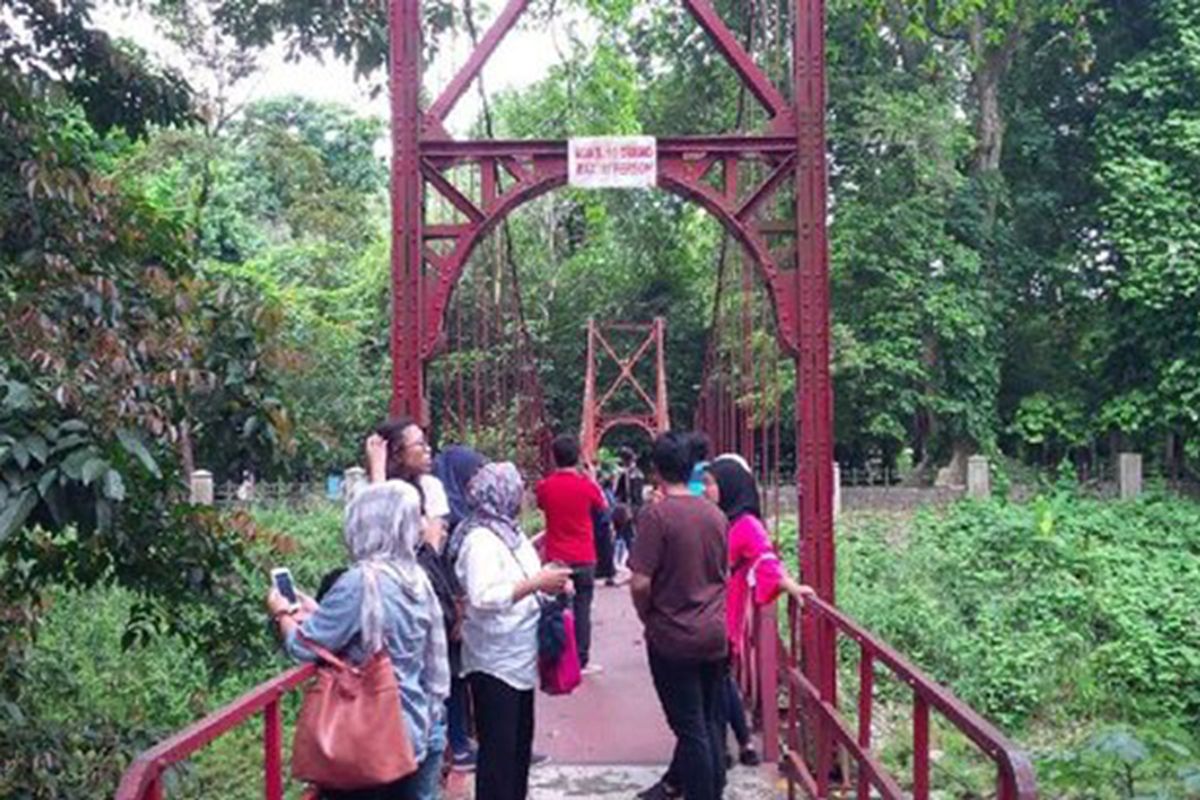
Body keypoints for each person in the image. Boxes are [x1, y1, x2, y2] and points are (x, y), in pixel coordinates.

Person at [267, 482, 450, 800]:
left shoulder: (361, 581)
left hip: (372, 733)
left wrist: (281, 614)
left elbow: (302, 646)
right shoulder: (415, 577)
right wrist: (322, 611)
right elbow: (375, 629)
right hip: (415, 725)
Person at [454, 463, 574, 800]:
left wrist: (549, 581)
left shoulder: (511, 533)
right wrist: (537, 582)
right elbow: (483, 595)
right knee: (499, 753)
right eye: (518, 487)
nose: (524, 494)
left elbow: (522, 579)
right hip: (494, 660)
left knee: (519, 748)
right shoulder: (479, 539)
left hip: (519, 653)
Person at [629, 432, 729, 800]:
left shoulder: (657, 516)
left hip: (673, 636)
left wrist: (647, 616)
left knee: (689, 729)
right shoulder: (716, 515)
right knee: (707, 721)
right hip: (714, 634)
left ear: (655, 470)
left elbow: (639, 582)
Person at [704, 454, 815, 769]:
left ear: (728, 486)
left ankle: (715, 755)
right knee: (716, 684)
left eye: (711, 484)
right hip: (711, 614)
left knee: (710, 687)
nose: (705, 490)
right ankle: (731, 746)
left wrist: (788, 584)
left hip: (721, 618)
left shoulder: (746, 524)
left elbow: (765, 557)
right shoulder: (722, 519)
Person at [535, 434, 608, 674]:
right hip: (585, 555)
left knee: (557, 608)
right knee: (582, 608)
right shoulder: (586, 486)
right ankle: (582, 660)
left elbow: (542, 506)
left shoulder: (545, 487)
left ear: (554, 458)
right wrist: (592, 478)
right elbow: (603, 507)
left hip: (557, 557)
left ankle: (557, 655)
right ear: (578, 457)